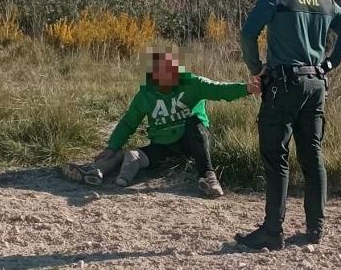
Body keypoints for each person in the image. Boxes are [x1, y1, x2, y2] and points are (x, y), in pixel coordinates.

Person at [234, 0, 341, 250]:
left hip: (283, 86)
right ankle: (315, 228)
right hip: (316, 85)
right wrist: (328, 64)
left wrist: (257, 69)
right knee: (312, 156)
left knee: (276, 158)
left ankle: (272, 232)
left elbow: (248, 33)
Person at [60, 50, 259, 197]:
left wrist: (247, 89)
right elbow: (129, 122)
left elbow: (220, 90)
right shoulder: (146, 94)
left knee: (195, 124)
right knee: (139, 155)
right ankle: (100, 170)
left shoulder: (193, 83)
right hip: (163, 143)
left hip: (193, 139)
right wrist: (112, 146)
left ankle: (207, 175)